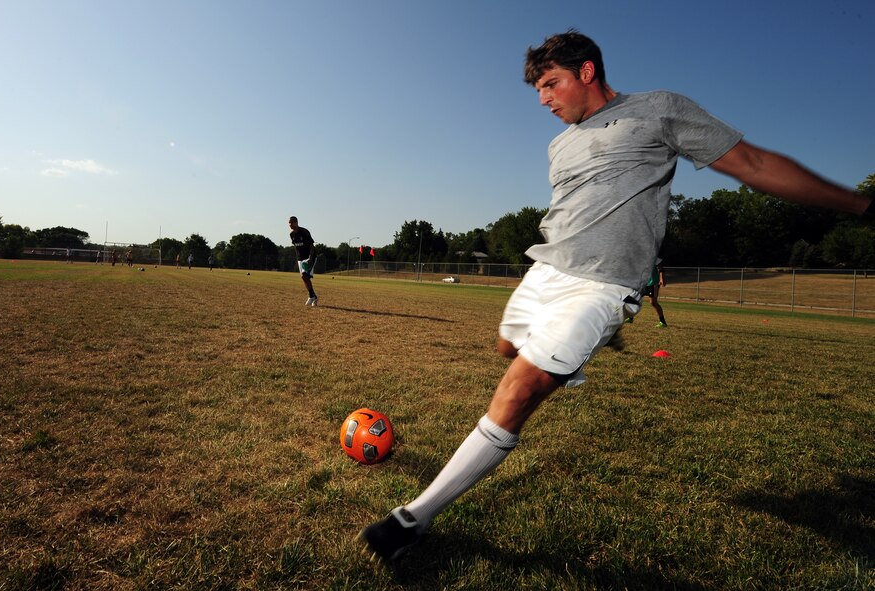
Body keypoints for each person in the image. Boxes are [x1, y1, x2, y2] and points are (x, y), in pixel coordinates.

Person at [358, 29, 873, 562]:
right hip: (545, 273)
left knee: (518, 391)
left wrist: (860, 206)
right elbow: (594, 208)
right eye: (538, 90)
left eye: (551, 84)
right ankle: (571, 353)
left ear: (587, 71)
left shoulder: (657, 110)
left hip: (602, 286)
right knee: (507, 348)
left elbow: (754, 165)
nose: (544, 100)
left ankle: (411, 521)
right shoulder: (559, 145)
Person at [626, 257, 667, 327]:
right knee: (634, 299)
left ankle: (662, 322)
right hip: (643, 283)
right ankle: (630, 318)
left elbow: (660, 267)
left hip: (653, 283)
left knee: (653, 302)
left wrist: (661, 278)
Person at [289, 216, 319, 306]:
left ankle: (311, 296)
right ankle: (314, 296)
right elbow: (296, 247)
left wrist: (310, 258)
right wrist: (298, 258)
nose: (290, 224)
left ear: (296, 222)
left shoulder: (304, 232)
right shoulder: (291, 234)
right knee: (304, 278)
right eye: (289, 223)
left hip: (310, 257)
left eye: (291, 222)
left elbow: (311, 246)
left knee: (304, 275)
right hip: (300, 259)